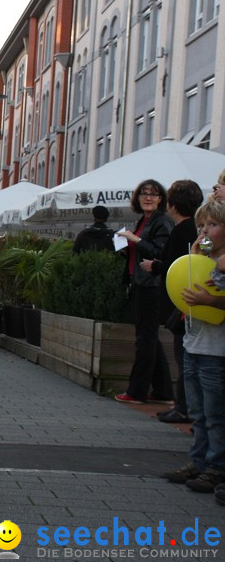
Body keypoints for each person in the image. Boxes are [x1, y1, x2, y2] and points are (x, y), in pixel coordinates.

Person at [161, 199, 225, 494]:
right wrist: (196, 254)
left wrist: (211, 301)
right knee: (198, 413)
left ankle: (216, 467)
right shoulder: (200, 258)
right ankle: (198, 459)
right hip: (194, 343)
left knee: (214, 415)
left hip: (216, 350)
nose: (205, 232)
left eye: (212, 225)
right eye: (201, 226)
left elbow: (215, 299)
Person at [140, 180, 203, 424]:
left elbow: (178, 266)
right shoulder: (190, 228)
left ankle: (184, 407)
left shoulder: (183, 230)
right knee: (184, 356)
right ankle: (183, 405)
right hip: (183, 302)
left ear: (173, 203)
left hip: (182, 303)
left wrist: (154, 265)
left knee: (184, 357)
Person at [114, 179, 175, 404]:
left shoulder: (162, 221)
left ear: (161, 199)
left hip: (152, 285)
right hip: (140, 283)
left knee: (145, 340)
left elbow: (160, 252)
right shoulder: (144, 220)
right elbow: (139, 251)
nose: (148, 197)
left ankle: (136, 392)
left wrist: (135, 239)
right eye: (144, 194)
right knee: (150, 339)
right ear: (138, 198)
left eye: (154, 194)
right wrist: (125, 248)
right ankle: (164, 392)